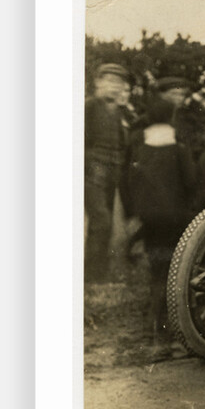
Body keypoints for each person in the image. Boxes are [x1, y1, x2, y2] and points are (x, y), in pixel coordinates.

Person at [128, 97, 197, 342]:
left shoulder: (141, 149)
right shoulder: (178, 149)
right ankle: (165, 328)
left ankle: (151, 327)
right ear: (171, 118)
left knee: (156, 272)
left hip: (150, 221)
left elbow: (131, 182)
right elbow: (191, 182)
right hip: (173, 220)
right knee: (171, 273)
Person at [84, 63, 130, 283]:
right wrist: (89, 167)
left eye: (119, 82)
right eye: (110, 81)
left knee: (107, 222)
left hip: (113, 171)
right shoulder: (90, 107)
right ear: (98, 82)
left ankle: (98, 273)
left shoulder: (118, 111)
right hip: (93, 172)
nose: (114, 86)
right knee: (101, 220)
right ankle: (91, 275)